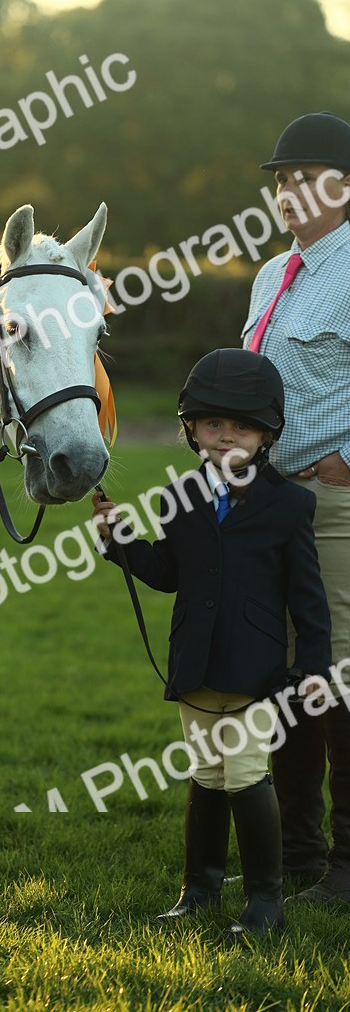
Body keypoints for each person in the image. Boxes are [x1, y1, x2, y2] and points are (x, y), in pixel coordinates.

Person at [92, 349, 332, 936]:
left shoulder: (290, 505)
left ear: (267, 434)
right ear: (192, 428)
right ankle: (198, 891)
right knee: (205, 773)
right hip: (195, 664)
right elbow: (169, 574)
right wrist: (119, 541)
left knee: (246, 773)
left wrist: (314, 667)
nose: (227, 437)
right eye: (213, 424)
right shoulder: (179, 499)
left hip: (254, 671)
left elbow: (308, 601)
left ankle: (264, 902)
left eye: (242, 427)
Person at [243, 111, 350, 904]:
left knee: (339, 672)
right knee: (284, 674)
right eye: (281, 181)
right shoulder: (271, 274)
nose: (289, 193)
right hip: (270, 504)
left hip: (335, 503)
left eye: (305, 177)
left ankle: (348, 863)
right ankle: (300, 852)